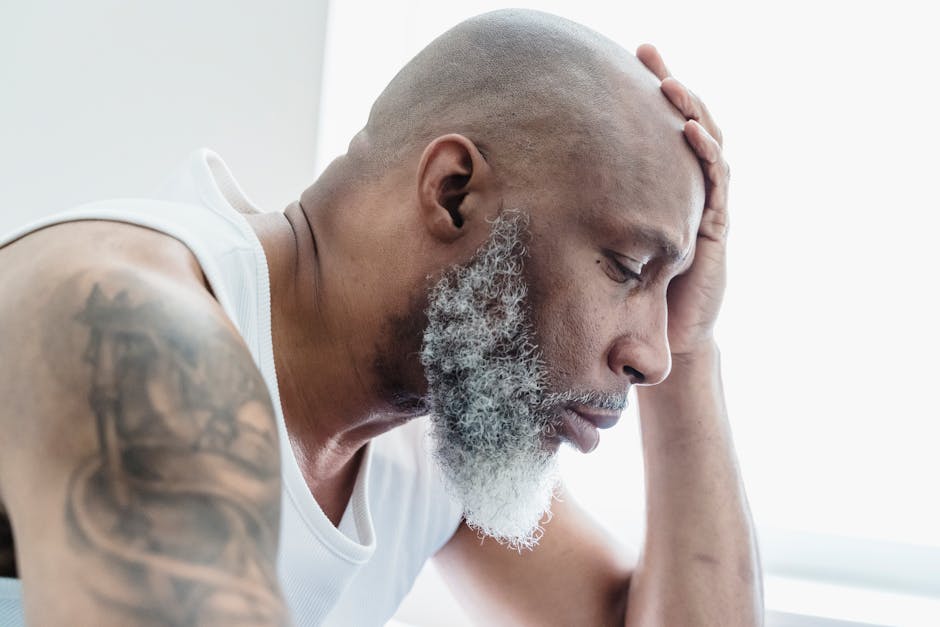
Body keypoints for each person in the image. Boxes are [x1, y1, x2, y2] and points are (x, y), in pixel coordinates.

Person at [0, 8, 762, 627]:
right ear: (453, 191)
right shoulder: (133, 338)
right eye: (630, 268)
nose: (649, 357)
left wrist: (695, 349)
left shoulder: (429, 417)